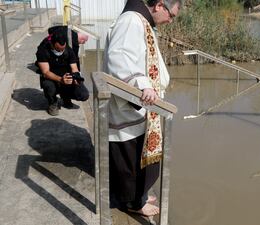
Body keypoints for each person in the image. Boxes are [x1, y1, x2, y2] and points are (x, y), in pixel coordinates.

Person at [103, 0, 181, 217]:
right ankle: (133, 203)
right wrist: (143, 85)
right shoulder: (131, 21)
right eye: (171, 15)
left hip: (144, 105)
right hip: (133, 103)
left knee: (139, 156)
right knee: (130, 159)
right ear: (159, 5)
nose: (170, 20)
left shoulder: (142, 22)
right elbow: (120, 58)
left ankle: (140, 194)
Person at [36, 30, 89, 116]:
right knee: (48, 86)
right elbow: (45, 72)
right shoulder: (43, 51)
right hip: (51, 78)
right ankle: (53, 102)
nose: (61, 51)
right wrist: (60, 79)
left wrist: (75, 77)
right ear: (52, 44)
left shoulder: (68, 50)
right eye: (58, 49)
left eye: (62, 49)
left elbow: (74, 68)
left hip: (65, 77)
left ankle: (66, 97)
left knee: (83, 94)